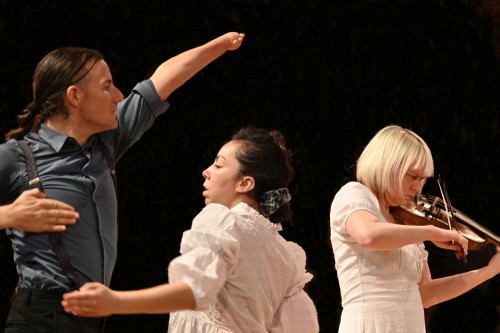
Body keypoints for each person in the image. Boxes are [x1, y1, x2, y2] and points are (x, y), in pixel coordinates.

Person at [0, 32, 245, 333]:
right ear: (74, 96)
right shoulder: (17, 157)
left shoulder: (107, 142)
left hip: (91, 317)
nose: (118, 96)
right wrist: (8, 215)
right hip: (38, 319)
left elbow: (164, 78)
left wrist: (220, 45)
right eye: (107, 87)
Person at [61, 125, 320, 333]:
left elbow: (194, 291)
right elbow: (301, 325)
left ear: (245, 183)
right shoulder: (285, 253)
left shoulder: (222, 220)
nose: (206, 172)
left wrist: (115, 302)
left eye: (218, 165)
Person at [329, 124, 500, 333]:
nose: (417, 188)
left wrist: (489, 271)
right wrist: (431, 231)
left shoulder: (407, 222)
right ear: (386, 166)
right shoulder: (354, 194)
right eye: (412, 176)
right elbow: (368, 235)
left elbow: (427, 295)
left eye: (422, 179)